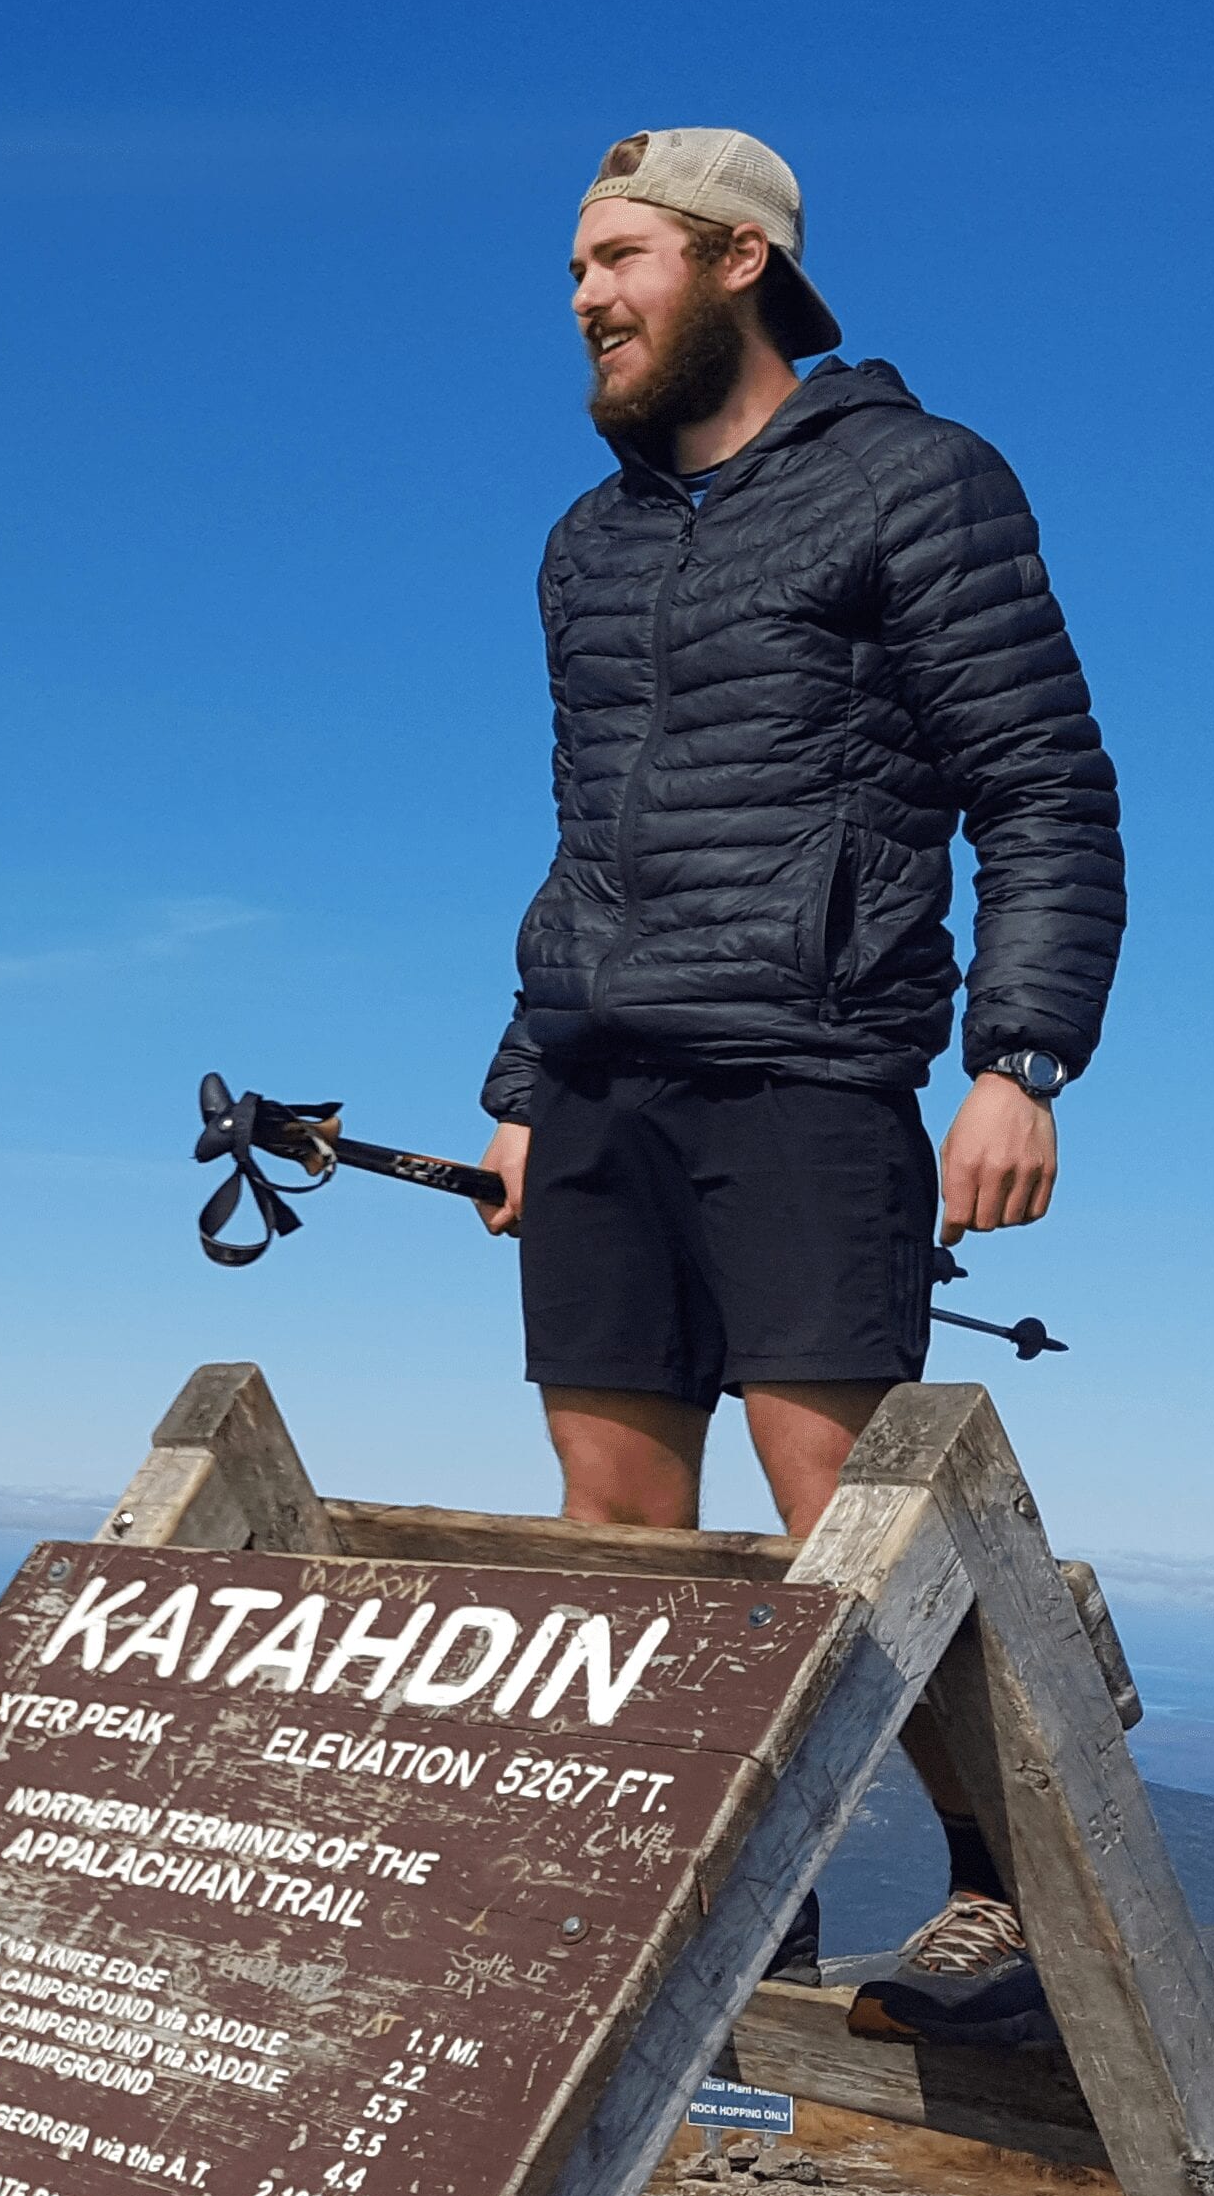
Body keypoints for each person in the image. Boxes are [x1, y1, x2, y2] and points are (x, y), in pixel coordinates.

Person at [474, 128, 1123, 2048]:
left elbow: (1046, 790)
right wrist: (524, 1077)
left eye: (620, 261)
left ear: (741, 259)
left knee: (847, 1503)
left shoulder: (918, 483)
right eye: (575, 274)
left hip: (817, 1067)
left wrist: (1017, 1060)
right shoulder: (585, 545)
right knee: (615, 1526)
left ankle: (1010, 1903)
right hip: (601, 1075)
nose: (586, 299)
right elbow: (589, 839)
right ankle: (713, 1906)